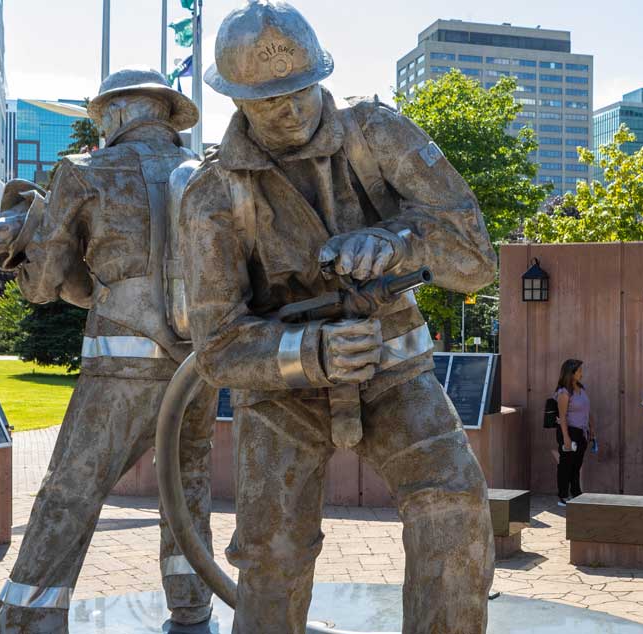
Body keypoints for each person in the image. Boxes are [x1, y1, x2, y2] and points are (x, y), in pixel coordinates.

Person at [179, 2, 497, 632]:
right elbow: (216, 345)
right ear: (237, 100)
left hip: (395, 370)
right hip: (280, 396)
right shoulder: (213, 195)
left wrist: (400, 241)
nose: (292, 110)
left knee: (453, 504)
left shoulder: (377, 134)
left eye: (301, 90)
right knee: (273, 553)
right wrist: (310, 354)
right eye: (270, 101)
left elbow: (474, 256)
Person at [0, 68, 216, 632]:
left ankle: (29, 616)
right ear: (165, 115)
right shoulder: (206, 175)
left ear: (118, 114)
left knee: (72, 488)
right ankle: (193, 603)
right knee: (187, 488)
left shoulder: (84, 172)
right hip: (197, 363)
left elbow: (47, 282)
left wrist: (26, 251)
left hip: (121, 357)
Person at [554, 358, 595, 506]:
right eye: (579, 371)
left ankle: (576, 492)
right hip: (569, 431)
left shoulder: (581, 389)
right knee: (566, 464)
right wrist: (566, 437)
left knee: (577, 464)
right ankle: (563, 495)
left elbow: (588, 410)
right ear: (571, 373)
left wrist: (592, 428)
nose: (581, 373)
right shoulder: (564, 393)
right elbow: (562, 416)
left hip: (581, 432)